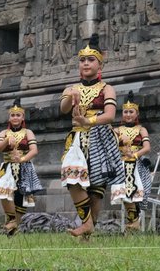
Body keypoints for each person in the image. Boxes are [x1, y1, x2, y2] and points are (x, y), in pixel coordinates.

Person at [59, 34, 126, 238]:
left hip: (100, 139)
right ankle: (87, 223)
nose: (86, 63)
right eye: (82, 60)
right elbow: (63, 109)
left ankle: (87, 234)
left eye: (91, 60)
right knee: (72, 178)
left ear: (100, 65)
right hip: (77, 140)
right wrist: (71, 97)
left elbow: (110, 115)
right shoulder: (71, 89)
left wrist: (88, 121)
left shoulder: (107, 89)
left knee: (96, 188)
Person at [0, 99, 43, 236]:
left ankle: (14, 227)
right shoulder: (3, 133)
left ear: (22, 117)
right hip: (7, 166)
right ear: (9, 117)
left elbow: (34, 150)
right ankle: (12, 218)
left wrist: (22, 159)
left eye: (18, 115)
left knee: (21, 195)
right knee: (2, 191)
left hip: (24, 166)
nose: (15, 118)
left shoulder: (28, 132)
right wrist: (7, 140)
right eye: (13, 115)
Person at [111, 92, 152, 232]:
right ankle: (133, 224)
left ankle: (133, 225)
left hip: (136, 165)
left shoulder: (141, 129)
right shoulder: (116, 130)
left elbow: (147, 148)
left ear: (136, 113)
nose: (128, 114)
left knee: (134, 196)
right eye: (125, 112)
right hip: (122, 164)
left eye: (131, 112)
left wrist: (134, 155)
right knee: (124, 195)